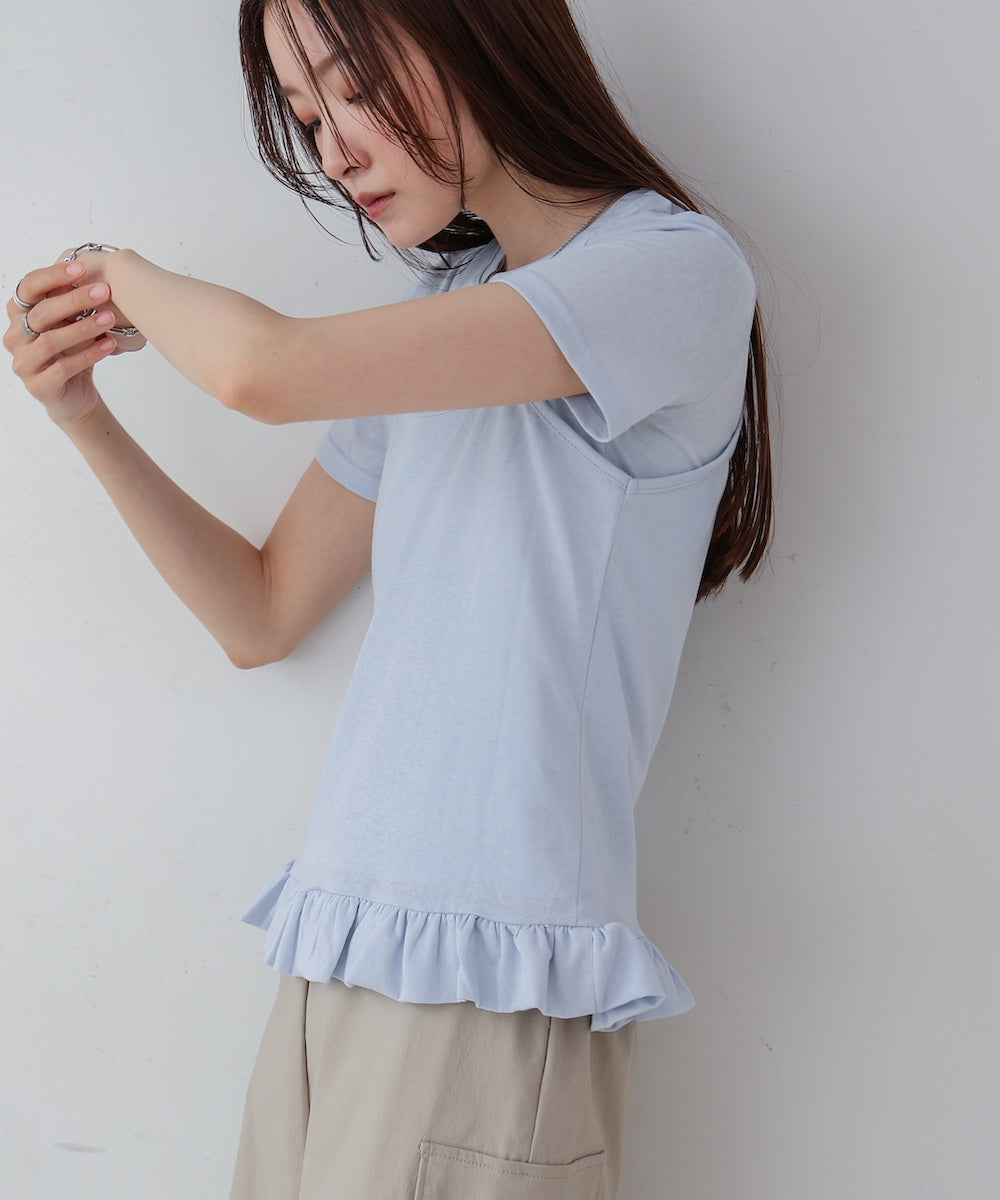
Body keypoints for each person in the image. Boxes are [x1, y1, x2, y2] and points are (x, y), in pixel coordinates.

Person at [4, 0, 773, 1196]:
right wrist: (83, 418)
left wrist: (113, 270)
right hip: (339, 954)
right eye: (308, 116)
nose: (335, 149)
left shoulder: (671, 271)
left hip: (487, 988)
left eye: (353, 88)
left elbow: (263, 372)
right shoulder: (445, 311)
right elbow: (261, 613)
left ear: (480, 34)